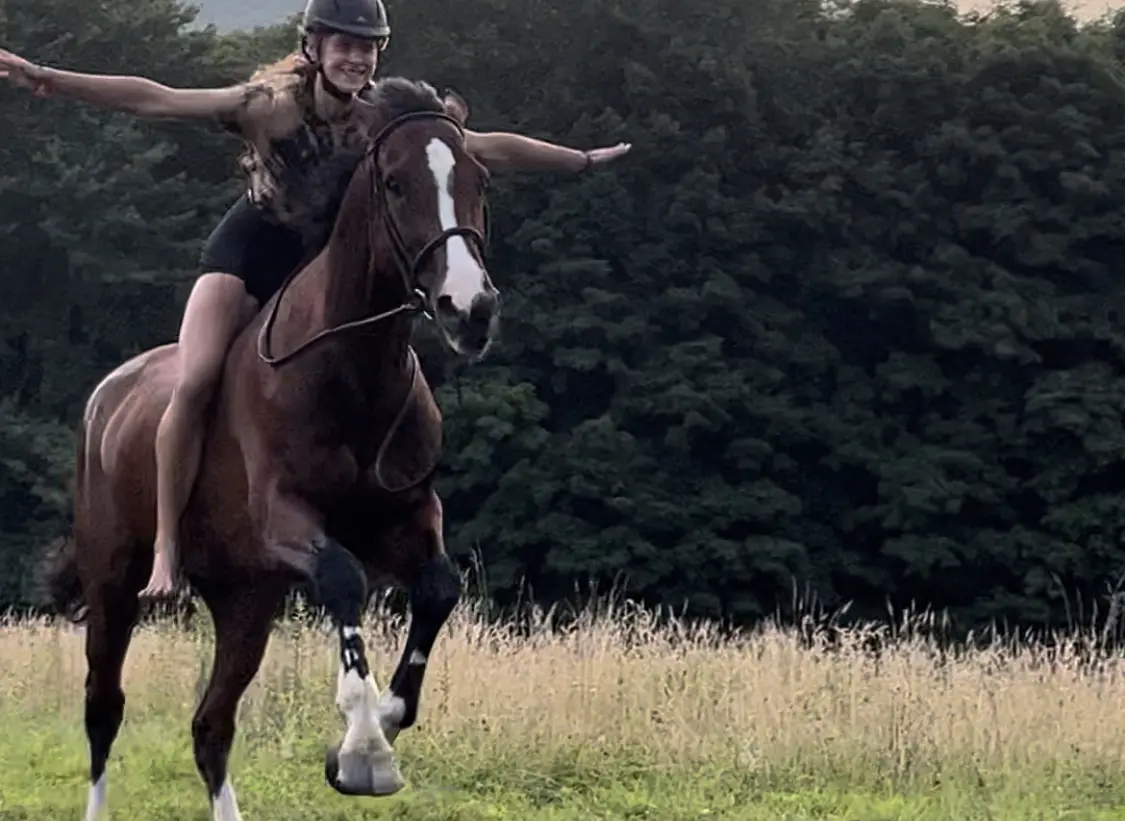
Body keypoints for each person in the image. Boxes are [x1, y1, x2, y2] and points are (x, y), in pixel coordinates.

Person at [0, 0, 632, 599]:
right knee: (194, 381)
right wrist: (50, 78)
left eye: (368, 48)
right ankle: (166, 550)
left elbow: (484, 148)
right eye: (345, 45)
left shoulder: (378, 120)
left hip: (319, 261)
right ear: (314, 46)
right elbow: (156, 99)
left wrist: (578, 161)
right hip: (250, 251)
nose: (356, 59)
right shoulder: (268, 106)